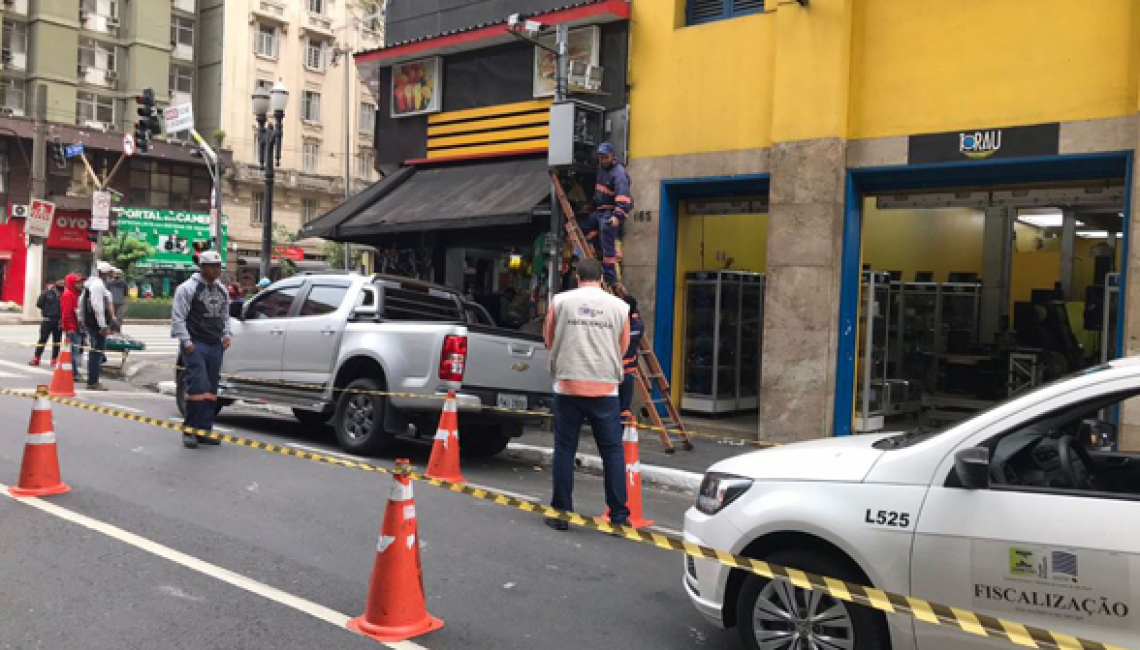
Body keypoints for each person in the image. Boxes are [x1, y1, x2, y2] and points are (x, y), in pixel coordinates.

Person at [542, 258, 631, 530]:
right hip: (605, 388)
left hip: (568, 385)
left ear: (577, 277)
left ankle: (562, 513)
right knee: (613, 451)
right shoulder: (620, 307)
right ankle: (618, 517)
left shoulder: (560, 302)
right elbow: (623, 347)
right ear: (602, 279)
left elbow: (548, 339)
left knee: (565, 449)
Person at [171, 251, 232, 449]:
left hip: (215, 344)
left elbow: (225, 315)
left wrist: (227, 334)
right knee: (198, 385)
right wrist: (187, 343)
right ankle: (190, 430)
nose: (217, 270)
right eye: (213, 266)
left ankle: (205, 430)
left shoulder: (221, 289)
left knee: (211, 389)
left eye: (218, 266)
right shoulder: (187, 289)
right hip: (195, 343)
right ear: (202, 267)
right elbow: (178, 318)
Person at [591, 142, 633, 286]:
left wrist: (617, 216)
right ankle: (598, 255)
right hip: (601, 209)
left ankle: (610, 278)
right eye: (601, 157)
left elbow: (624, 199)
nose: (603, 160)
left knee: (606, 233)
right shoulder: (601, 168)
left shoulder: (619, 174)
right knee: (587, 225)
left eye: (605, 157)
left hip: (611, 211)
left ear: (612, 157)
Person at [81, 261, 115, 391]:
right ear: (105, 273)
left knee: (96, 352)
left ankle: (93, 380)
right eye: (110, 272)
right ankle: (93, 381)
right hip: (96, 325)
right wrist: (103, 326)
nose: (111, 274)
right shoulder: (97, 285)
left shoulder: (92, 284)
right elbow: (97, 307)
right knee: (96, 353)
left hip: (92, 323)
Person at [619, 294, 645, 423]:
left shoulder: (620, 326)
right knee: (625, 407)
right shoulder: (638, 325)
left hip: (616, 372)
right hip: (629, 372)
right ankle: (622, 433)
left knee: (612, 406)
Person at [30, 280, 64, 367]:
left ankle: (54, 359)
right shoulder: (47, 293)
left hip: (58, 320)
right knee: (42, 339)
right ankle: (37, 358)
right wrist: (47, 310)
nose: (62, 284)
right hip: (47, 320)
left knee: (57, 341)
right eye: (60, 282)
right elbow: (39, 304)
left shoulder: (64, 293)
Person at [60, 273, 85, 382]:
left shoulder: (78, 294)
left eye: (80, 282)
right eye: (77, 282)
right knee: (74, 351)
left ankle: (74, 372)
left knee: (76, 351)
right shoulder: (68, 295)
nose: (80, 284)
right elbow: (66, 313)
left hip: (78, 326)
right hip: (72, 327)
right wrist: (69, 327)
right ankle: (74, 373)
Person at [107, 268, 129, 333]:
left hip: (120, 304)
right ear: (113, 274)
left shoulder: (124, 284)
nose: (117, 275)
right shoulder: (109, 283)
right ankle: (110, 331)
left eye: (119, 274)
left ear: (121, 275)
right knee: (111, 318)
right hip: (111, 303)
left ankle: (118, 331)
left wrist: (125, 305)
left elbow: (126, 295)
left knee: (119, 318)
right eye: (116, 273)